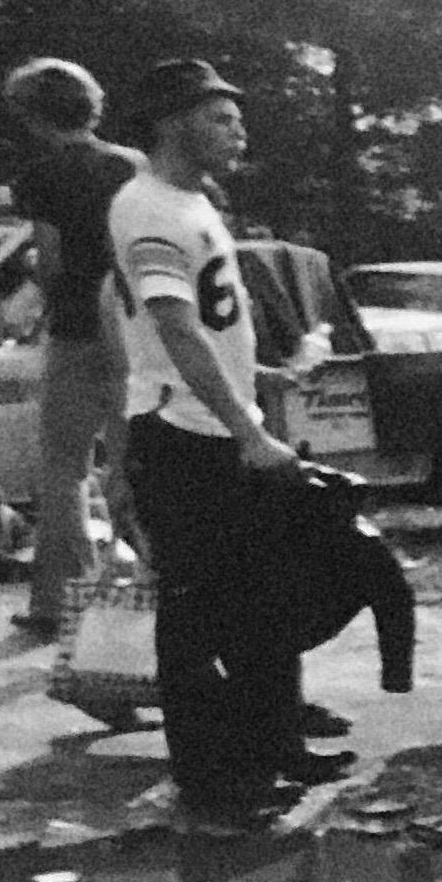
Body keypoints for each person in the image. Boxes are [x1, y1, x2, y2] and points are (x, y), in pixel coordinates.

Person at [107, 58, 327, 823]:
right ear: (171, 121)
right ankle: (211, 778)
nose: (238, 130)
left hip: (217, 424)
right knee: (198, 610)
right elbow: (171, 327)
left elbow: (204, 323)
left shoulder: (192, 202)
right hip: (182, 434)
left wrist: (260, 376)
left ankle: (270, 750)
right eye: (219, 117)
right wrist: (248, 430)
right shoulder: (148, 207)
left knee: (260, 598)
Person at [3, 58, 143, 636]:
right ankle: (152, 587)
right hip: (133, 332)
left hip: (76, 331)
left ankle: (58, 604)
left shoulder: (40, 176)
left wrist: (34, 277)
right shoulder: (133, 167)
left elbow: (53, 262)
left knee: (64, 471)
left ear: (33, 116)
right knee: (134, 464)